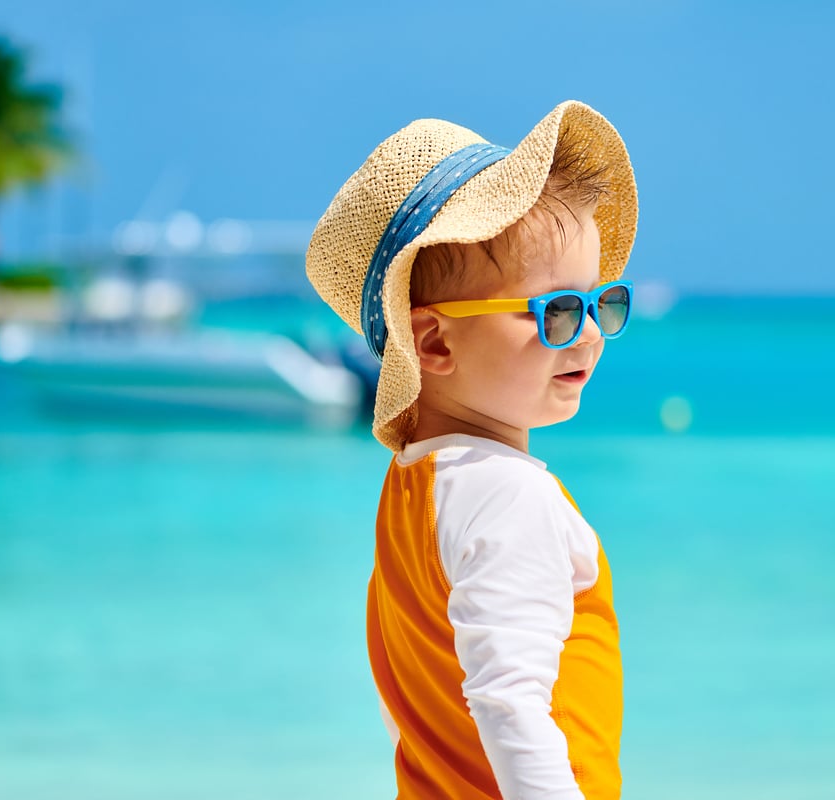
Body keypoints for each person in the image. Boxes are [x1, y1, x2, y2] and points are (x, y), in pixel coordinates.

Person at [304, 100, 638, 799]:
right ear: (433, 342)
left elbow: (409, 702)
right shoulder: (508, 495)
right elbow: (511, 705)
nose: (589, 335)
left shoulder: (413, 490)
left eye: (600, 302)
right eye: (555, 310)